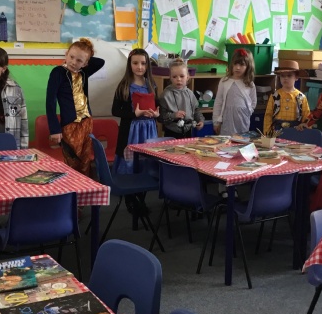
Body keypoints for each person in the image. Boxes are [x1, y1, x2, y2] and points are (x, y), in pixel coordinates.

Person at [46, 38, 104, 177]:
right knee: (72, 160)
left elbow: (100, 62)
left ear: (85, 63)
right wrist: (54, 129)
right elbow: (50, 102)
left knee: (85, 160)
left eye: (79, 60)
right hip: (70, 125)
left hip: (87, 122)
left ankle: (85, 188)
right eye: (71, 57)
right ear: (66, 54)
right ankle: (71, 187)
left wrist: (86, 55)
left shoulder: (84, 72)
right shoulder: (58, 72)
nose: (73, 62)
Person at [112, 48, 158, 212]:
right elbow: (115, 110)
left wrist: (156, 114)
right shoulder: (124, 85)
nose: (140, 67)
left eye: (143, 63)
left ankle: (141, 198)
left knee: (146, 164)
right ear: (129, 64)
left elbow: (157, 106)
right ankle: (131, 200)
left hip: (148, 131)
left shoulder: (151, 85)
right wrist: (134, 114)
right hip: (131, 132)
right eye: (135, 63)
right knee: (131, 164)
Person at [213, 48, 257, 136]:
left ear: (248, 66)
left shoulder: (249, 84)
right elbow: (218, 102)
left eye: (242, 65)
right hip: (226, 119)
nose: (237, 67)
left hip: (242, 120)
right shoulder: (224, 81)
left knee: (241, 141)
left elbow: (253, 102)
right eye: (235, 64)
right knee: (226, 141)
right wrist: (216, 121)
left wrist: (247, 112)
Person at [159, 58, 204, 139]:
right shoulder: (165, 95)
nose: (178, 79)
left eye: (182, 76)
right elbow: (160, 117)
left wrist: (200, 120)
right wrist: (174, 115)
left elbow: (196, 110)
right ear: (170, 77)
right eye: (174, 77)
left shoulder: (190, 93)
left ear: (187, 77)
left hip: (188, 132)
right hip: (172, 133)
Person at [263, 59, 311, 135]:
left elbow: (307, 116)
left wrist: (305, 126)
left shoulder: (301, 97)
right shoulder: (274, 96)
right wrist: (267, 133)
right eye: (282, 76)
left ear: (296, 77)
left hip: (295, 132)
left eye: (289, 75)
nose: (285, 78)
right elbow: (268, 116)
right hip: (276, 132)